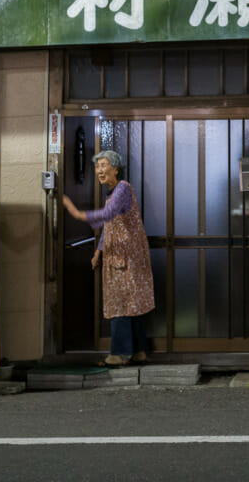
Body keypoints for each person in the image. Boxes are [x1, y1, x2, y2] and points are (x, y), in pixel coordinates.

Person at [61, 150, 155, 367]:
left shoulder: (122, 188)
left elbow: (108, 214)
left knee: (121, 302)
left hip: (126, 257)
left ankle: (120, 354)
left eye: (104, 165)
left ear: (116, 169)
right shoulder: (113, 193)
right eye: (97, 166)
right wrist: (98, 251)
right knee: (133, 303)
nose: (100, 170)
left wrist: (78, 214)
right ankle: (139, 351)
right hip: (123, 256)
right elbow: (109, 226)